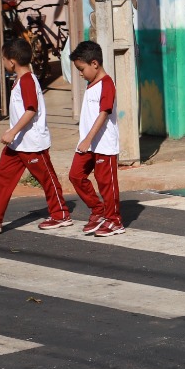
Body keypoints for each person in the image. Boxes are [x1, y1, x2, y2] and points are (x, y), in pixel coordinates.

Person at [0, 38, 73, 233]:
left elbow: (30, 109)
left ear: (12, 61)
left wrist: (11, 131)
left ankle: (61, 215)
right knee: (3, 178)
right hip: (18, 144)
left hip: (32, 143)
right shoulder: (21, 80)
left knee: (47, 180)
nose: (2, 62)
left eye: (4, 59)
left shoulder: (26, 80)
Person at [68, 40, 124, 237]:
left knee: (106, 184)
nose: (80, 73)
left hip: (103, 145)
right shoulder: (91, 84)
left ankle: (114, 221)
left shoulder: (107, 84)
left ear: (94, 64)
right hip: (88, 145)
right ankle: (98, 210)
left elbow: (104, 113)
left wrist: (88, 139)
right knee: (75, 175)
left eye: (81, 69)